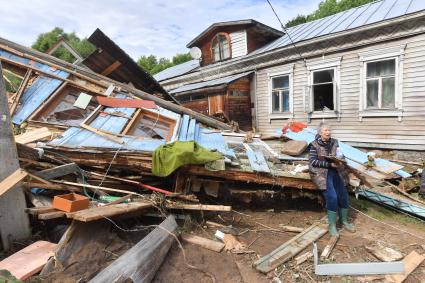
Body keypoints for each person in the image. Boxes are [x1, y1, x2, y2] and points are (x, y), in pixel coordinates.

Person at [308, 123, 355, 236]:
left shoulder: (335, 142)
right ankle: (332, 225)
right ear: (320, 133)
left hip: (336, 171)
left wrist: (340, 160)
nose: (328, 132)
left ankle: (344, 221)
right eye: (325, 130)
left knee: (343, 196)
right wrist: (329, 164)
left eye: (329, 130)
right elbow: (313, 162)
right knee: (332, 197)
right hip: (321, 173)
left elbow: (340, 155)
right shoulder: (314, 145)